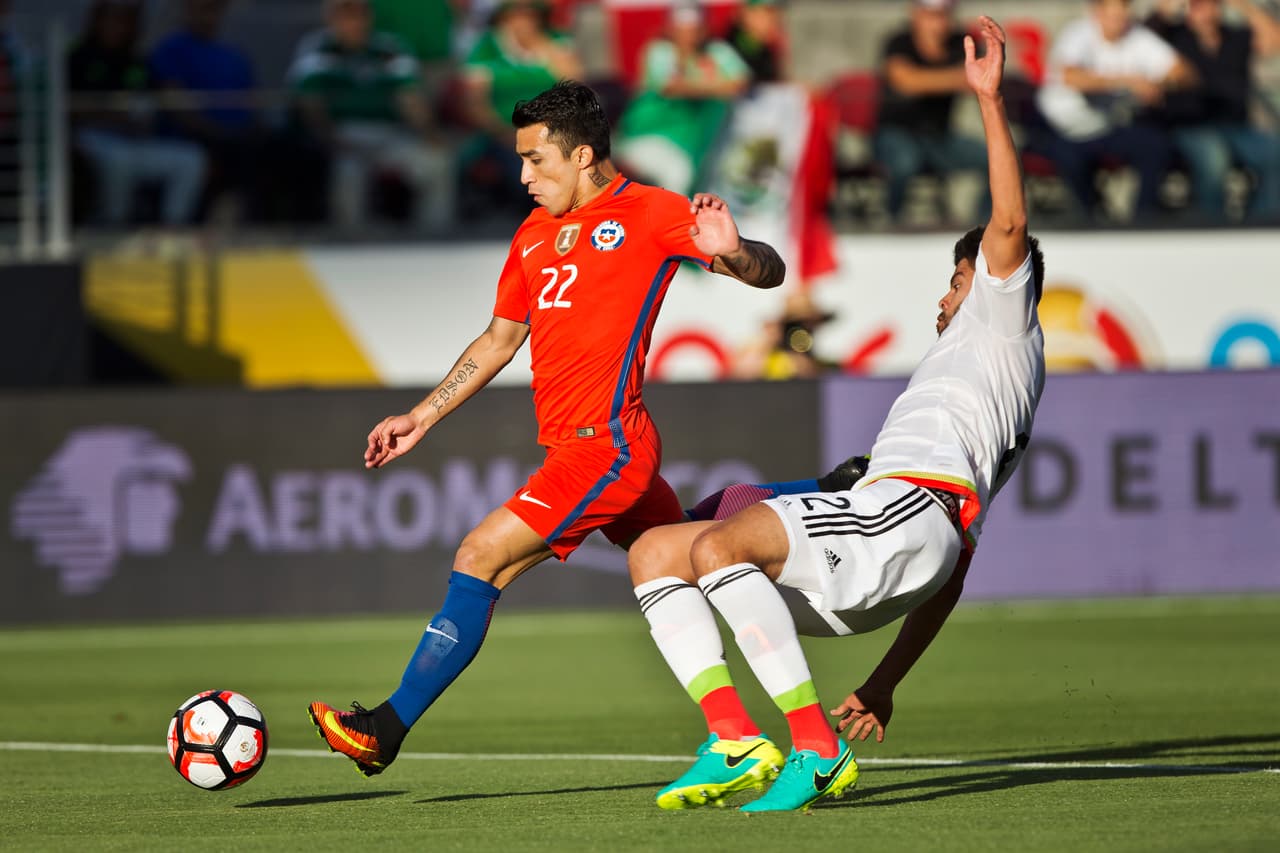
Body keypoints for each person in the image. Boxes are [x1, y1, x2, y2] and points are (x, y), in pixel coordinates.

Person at [308, 80, 787, 777]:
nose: (524, 177)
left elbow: (767, 273)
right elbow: (499, 341)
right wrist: (421, 415)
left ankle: (384, 726)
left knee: (480, 556)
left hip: (608, 445)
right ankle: (804, 520)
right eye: (521, 161)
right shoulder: (533, 233)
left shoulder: (650, 211)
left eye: (537, 160)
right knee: (689, 552)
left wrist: (737, 251)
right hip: (577, 445)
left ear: (584, 153)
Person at [628, 16, 1045, 813]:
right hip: (901, 533)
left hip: (903, 514)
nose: (946, 297)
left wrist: (987, 100)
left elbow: (1010, 223)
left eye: (957, 282)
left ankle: (813, 750)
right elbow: (955, 568)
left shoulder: (1002, 321)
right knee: (656, 551)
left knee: (720, 540)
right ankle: (733, 737)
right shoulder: (974, 389)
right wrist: (884, 684)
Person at [149, 0, 326, 224]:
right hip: (196, 137)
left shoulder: (234, 56)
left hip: (241, 136)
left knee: (301, 151)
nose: (208, 13)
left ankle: (302, 229)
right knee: (244, 156)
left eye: (213, 7)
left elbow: (253, 104)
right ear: (187, 8)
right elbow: (176, 105)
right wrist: (220, 132)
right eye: (201, 7)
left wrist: (255, 130)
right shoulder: (170, 50)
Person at [289, 0, 455, 231]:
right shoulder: (317, 48)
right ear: (332, 19)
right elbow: (310, 105)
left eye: (358, 15)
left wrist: (430, 134)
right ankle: (351, 244)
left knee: (436, 162)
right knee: (347, 173)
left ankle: (434, 238)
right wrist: (331, 139)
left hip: (389, 135)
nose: (353, 23)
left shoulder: (389, 47)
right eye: (345, 16)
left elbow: (409, 99)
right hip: (342, 136)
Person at [1034, 0, 1196, 222]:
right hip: (1061, 128)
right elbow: (1071, 77)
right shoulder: (1078, 34)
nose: (1119, 22)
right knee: (1070, 161)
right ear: (1097, 13)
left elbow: (1184, 72)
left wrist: (1158, 84)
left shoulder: (1137, 36)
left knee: (1157, 146)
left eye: (1123, 15)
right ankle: (1090, 220)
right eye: (1113, 15)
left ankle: (1142, 220)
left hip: (1105, 125)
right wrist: (1129, 82)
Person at [68, 0, 208, 226]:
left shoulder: (138, 61)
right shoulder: (77, 57)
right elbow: (69, 109)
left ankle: (171, 227)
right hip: (91, 137)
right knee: (118, 161)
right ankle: (113, 226)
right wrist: (112, 113)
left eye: (128, 20)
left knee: (191, 159)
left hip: (135, 139)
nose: (121, 27)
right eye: (115, 19)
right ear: (98, 20)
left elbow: (157, 100)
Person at [1146, 0, 1280, 222]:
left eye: (1209, 5)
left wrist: (1242, 5)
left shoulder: (1234, 37)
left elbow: (1273, 39)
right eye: (1197, 6)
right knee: (1214, 159)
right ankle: (1211, 224)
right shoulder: (1174, 36)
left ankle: (1263, 221)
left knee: (1274, 152)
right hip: (1190, 126)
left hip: (1236, 126)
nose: (1204, 12)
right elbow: (1141, 37)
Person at [615, 1, 751, 196]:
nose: (690, 35)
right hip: (645, 138)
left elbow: (740, 82)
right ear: (672, 29)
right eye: (684, 29)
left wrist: (698, 85)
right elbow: (671, 86)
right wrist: (715, 86)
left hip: (691, 147)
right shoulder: (660, 51)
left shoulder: (715, 52)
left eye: (695, 29)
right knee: (677, 175)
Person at [873, 0, 990, 224]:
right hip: (897, 133)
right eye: (931, 15)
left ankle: (985, 227)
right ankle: (890, 219)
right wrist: (956, 77)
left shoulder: (961, 43)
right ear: (915, 13)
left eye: (943, 14)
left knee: (995, 159)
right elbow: (905, 81)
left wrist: (927, 79)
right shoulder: (899, 42)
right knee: (904, 161)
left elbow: (982, 78)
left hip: (940, 136)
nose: (938, 22)